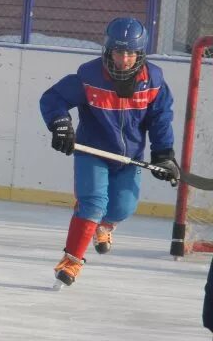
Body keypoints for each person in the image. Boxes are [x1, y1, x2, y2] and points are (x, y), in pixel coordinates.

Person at [40, 17, 178, 288]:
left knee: (122, 208)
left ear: (140, 53)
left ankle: (104, 226)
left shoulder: (154, 81)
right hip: (92, 152)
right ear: (108, 50)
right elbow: (53, 99)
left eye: (130, 53)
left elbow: (161, 119)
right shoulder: (89, 76)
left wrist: (164, 153)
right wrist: (61, 125)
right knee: (92, 203)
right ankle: (72, 260)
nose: (123, 59)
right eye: (118, 52)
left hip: (130, 158)